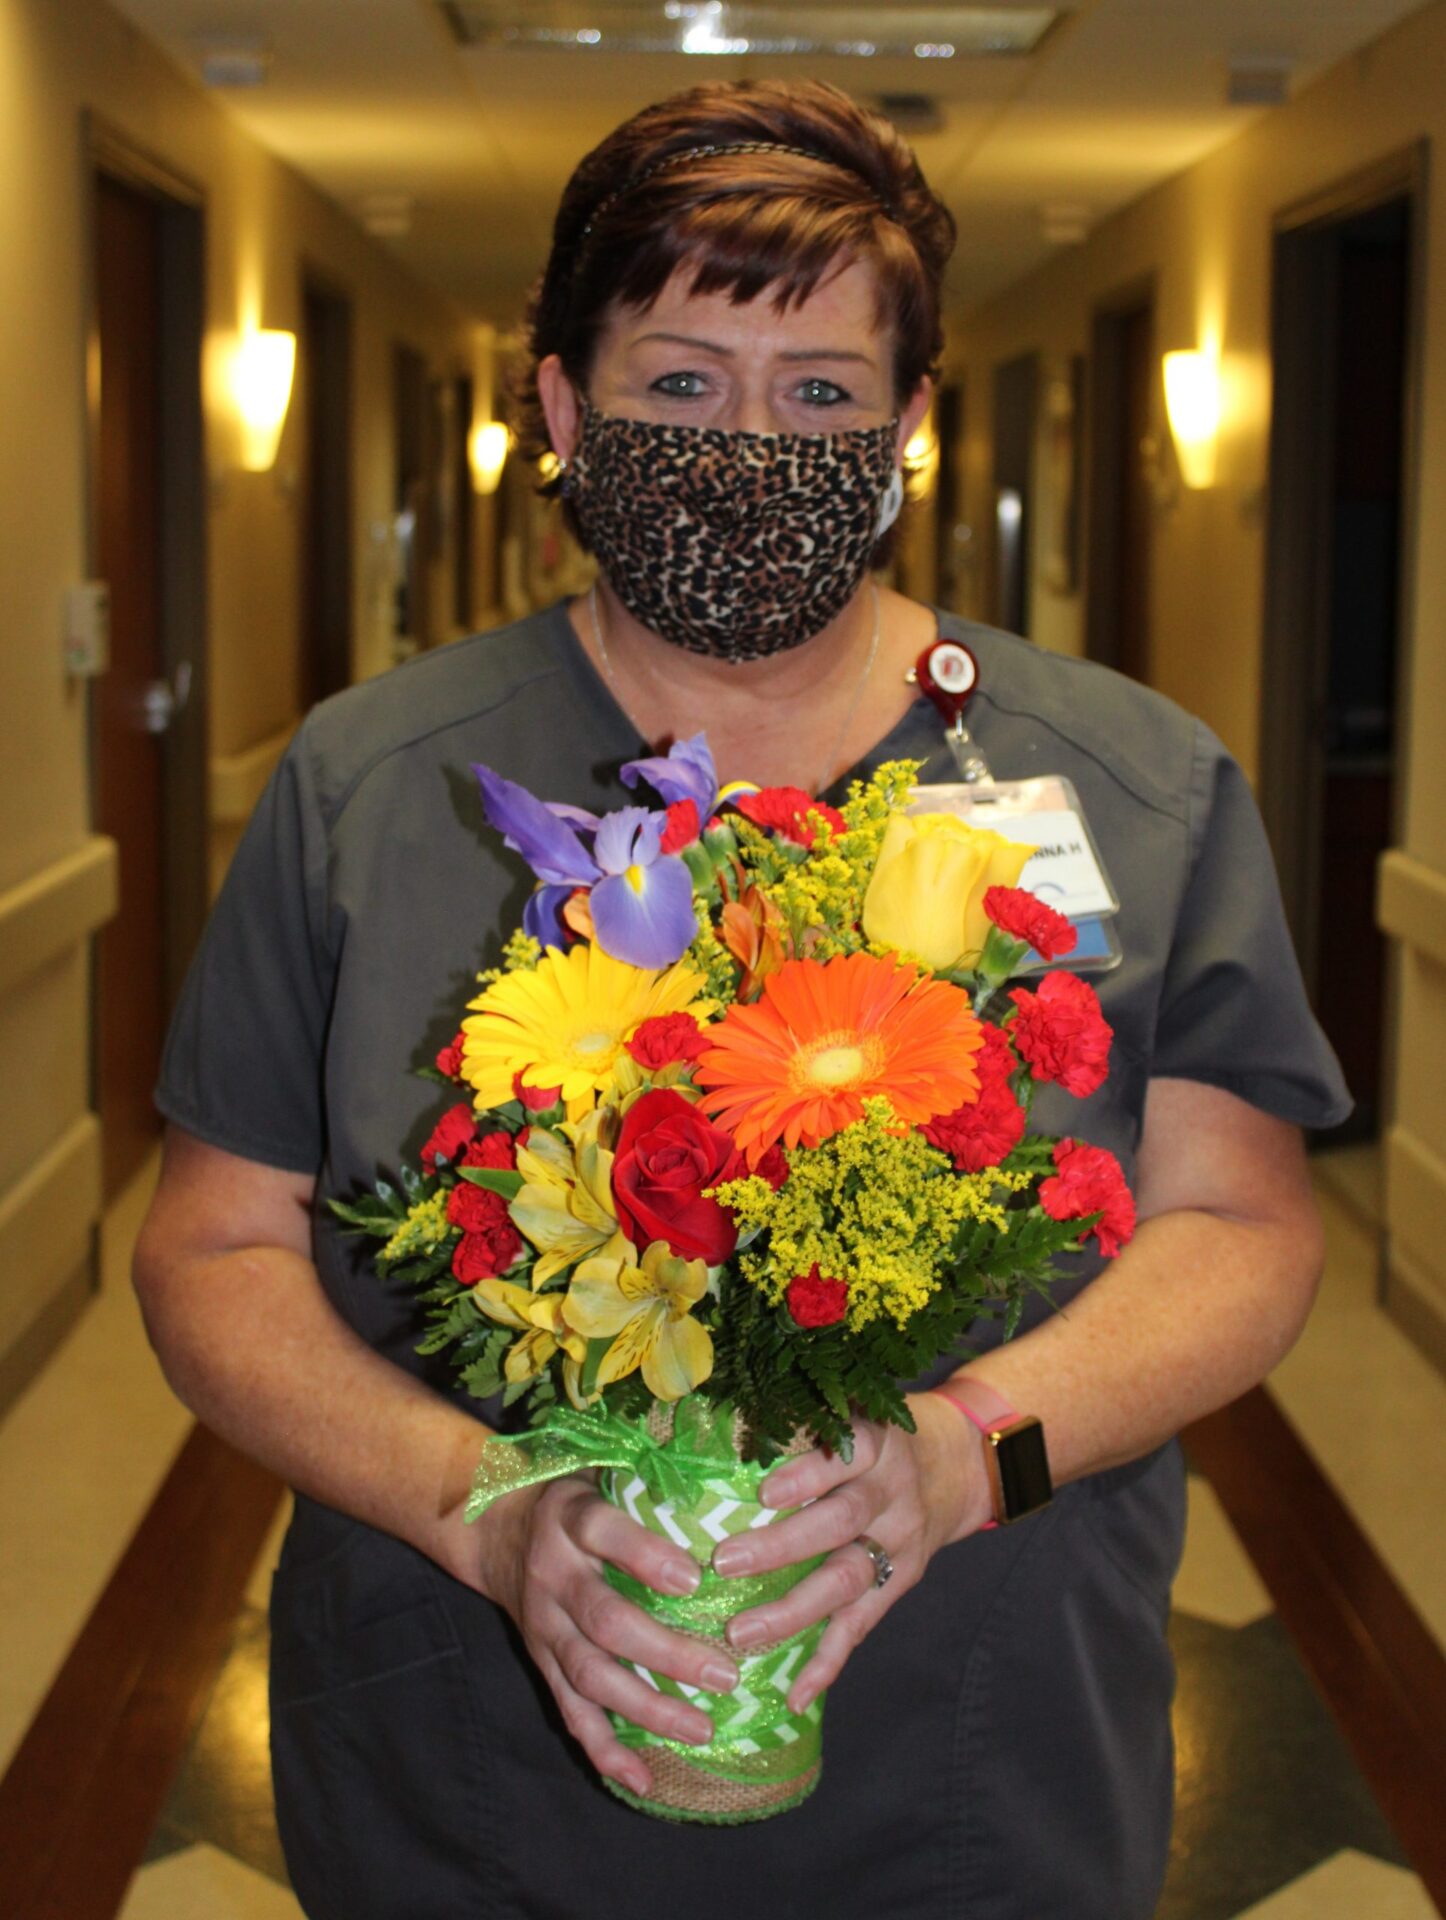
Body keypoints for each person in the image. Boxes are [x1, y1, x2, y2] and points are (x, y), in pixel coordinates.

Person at [134, 78, 1349, 1919]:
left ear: (906, 429)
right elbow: (209, 1250)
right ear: (562, 404)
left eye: (822, 396)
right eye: (679, 381)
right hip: (467, 1756)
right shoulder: (374, 783)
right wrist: (488, 1510)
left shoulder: (1129, 779)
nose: (745, 442)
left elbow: (1239, 1225)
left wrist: (963, 1458)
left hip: (978, 1740)